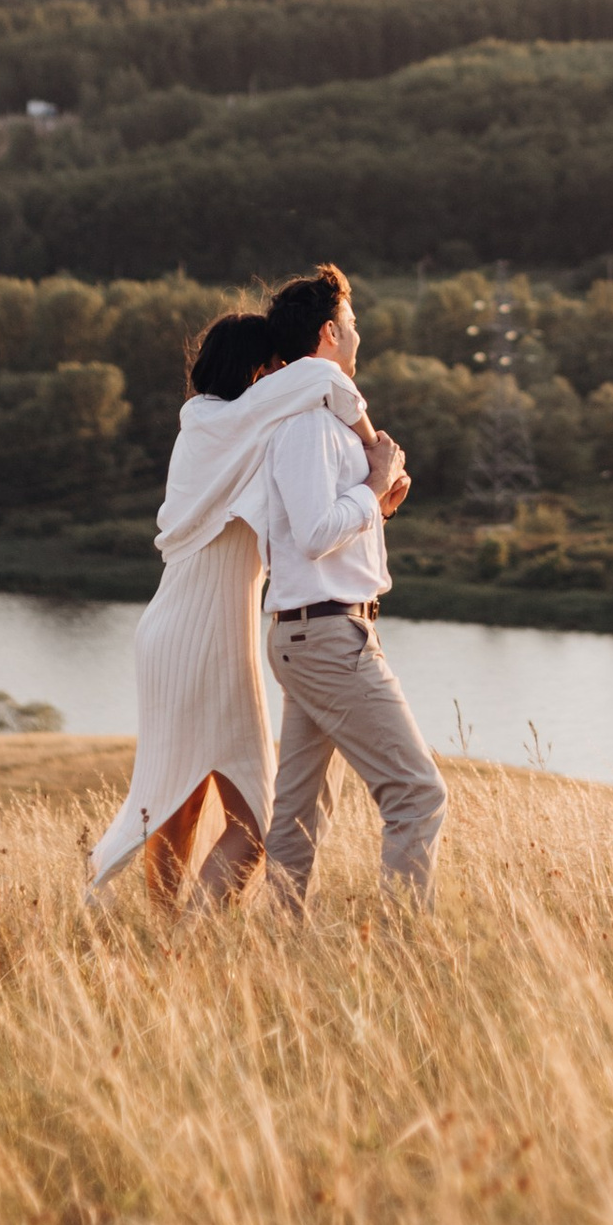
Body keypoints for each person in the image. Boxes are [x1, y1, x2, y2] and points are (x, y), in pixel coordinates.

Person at [88, 303, 302, 909]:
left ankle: (175, 937)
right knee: (246, 814)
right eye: (278, 368)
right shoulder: (223, 428)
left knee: (184, 800)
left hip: (187, 632)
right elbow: (325, 382)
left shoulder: (217, 430)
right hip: (202, 637)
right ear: (260, 374)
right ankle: (188, 941)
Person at [254, 262, 448, 913]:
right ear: (330, 334)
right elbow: (312, 533)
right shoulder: (309, 424)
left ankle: (275, 951)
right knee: (418, 794)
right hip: (327, 634)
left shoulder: (328, 419)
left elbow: (325, 534)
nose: (361, 335)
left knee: (300, 813)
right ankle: (401, 954)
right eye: (355, 324)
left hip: (317, 629)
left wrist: (380, 502)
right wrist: (374, 483)